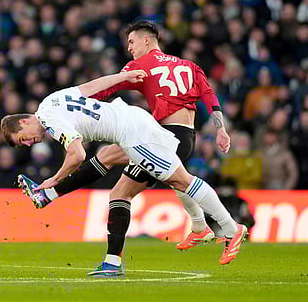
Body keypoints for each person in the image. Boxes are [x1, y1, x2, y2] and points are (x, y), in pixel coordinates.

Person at [1, 70, 248, 277]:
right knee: (109, 162)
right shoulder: (50, 100)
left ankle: (230, 228)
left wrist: (54, 177)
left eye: (23, 139)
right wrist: (124, 77)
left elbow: (77, 155)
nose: (28, 143)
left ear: (23, 122)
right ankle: (111, 258)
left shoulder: (48, 119)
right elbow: (91, 86)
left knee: (180, 180)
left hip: (134, 136)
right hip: (130, 119)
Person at [18, 20, 232, 253]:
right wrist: (221, 128)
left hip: (164, 134)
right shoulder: (189, 65)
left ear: (146, 40)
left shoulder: (140, 65)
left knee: (149, 186)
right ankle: (200, 226)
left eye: (131, 41)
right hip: (185, 133)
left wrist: (78, 108)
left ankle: (230, 228)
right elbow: (209, 96)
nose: (129, 47)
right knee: (110, 156)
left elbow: (107, 88)